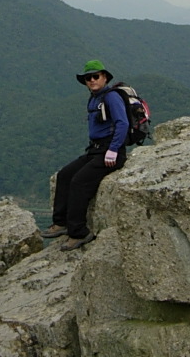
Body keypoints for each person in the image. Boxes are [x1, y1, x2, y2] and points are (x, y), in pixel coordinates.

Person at [41, 59, 129, 250]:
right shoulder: (94, 98)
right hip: (95, 150)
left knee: (79, 182)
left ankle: (79, 232)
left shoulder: (111, 97)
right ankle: (61, 222)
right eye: (88, 78)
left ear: (104, 77)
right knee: (65, 175)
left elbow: (123, 124)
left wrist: (113, 149)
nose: (91, 80)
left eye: (95, 76)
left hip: (110, 151)